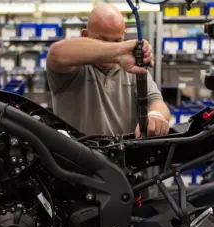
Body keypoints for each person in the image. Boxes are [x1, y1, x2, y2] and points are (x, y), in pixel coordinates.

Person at [46, 3, 170, 137]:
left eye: (118, 41)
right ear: (85, 35)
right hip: (76, 156)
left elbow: (156, 101)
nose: (112, 46)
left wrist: (155, 116)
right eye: (103, 40)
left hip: (122, 155)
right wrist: (118, 50)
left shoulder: (132, 69)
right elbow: (56, 53)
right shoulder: (74, 67)